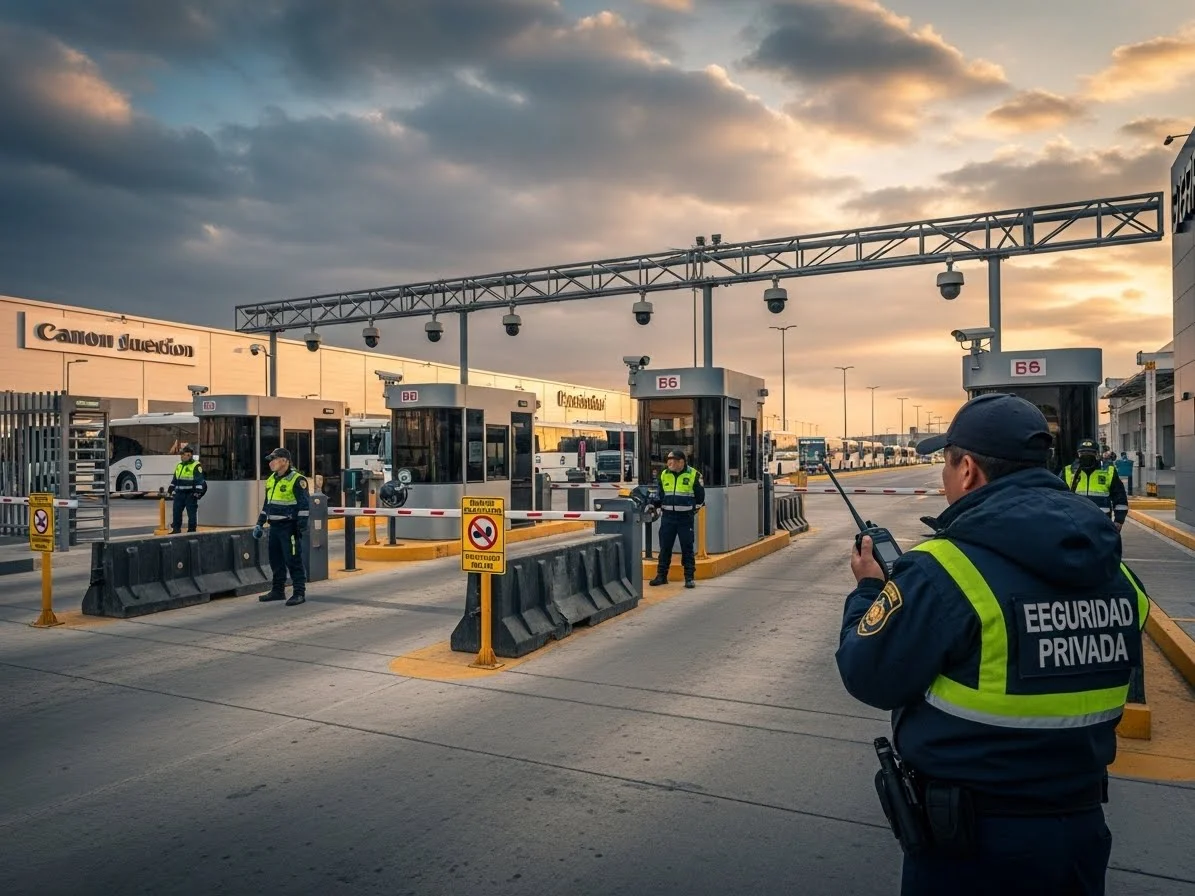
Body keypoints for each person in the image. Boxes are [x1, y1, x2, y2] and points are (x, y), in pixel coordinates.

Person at [835, 393, 1148, 896]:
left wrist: (870, 590)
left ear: (968, 472)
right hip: (1081, 832)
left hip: (974, 844)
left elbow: (867, 674)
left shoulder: (945, 570)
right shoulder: (1115, 571)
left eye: (946, 463)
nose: (943, 477)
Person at [253, 447, 309, 606]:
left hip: (289, 527)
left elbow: (304, 507)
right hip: (274, 527)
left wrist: (299, 528)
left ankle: (299, 592)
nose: (271, 463)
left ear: (284, 461)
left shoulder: (297, 480)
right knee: (275, 560)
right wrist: (259, 523)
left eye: (274, 459)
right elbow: (267, 504)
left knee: (293, 560)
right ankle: (278, 591)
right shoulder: (271, 479)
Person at [649, 449, 705, 589]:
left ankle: (689, 578)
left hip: (685, 519)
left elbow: (700, 498)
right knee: (665, 547)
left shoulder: (694, 475)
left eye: (672, 460)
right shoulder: (664, 474)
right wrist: (657, 505)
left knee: (687, 547)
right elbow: (660, 494)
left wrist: (692, 510)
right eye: (668, 459)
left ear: (681, 461)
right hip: (668, 518)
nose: (669, 462)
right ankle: (661, 576)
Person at [1064, 439, 1129, 532]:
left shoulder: (1108, 472)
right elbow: (1056, 497)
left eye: (1091, 453)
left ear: (1097, 454)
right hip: (1075, 525)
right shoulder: (1068, 471)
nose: (1086, 455)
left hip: (1101, 525)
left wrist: (1119, 520)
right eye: (1082, 453)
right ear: (1078, 454)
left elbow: (1120, 498)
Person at [167, 444, 206, 534]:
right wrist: (171, 488)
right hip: (179, 494)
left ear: (189, 455)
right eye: (181, 455)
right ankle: (176, 529)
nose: (181, 456)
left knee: (191, 513)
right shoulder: (179, 466)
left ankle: (191, 531)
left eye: (183, 454)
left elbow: (199, 480)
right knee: (176, 512)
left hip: (190, 494)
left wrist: (197, 492)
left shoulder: (196, 466)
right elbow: (175, 479)